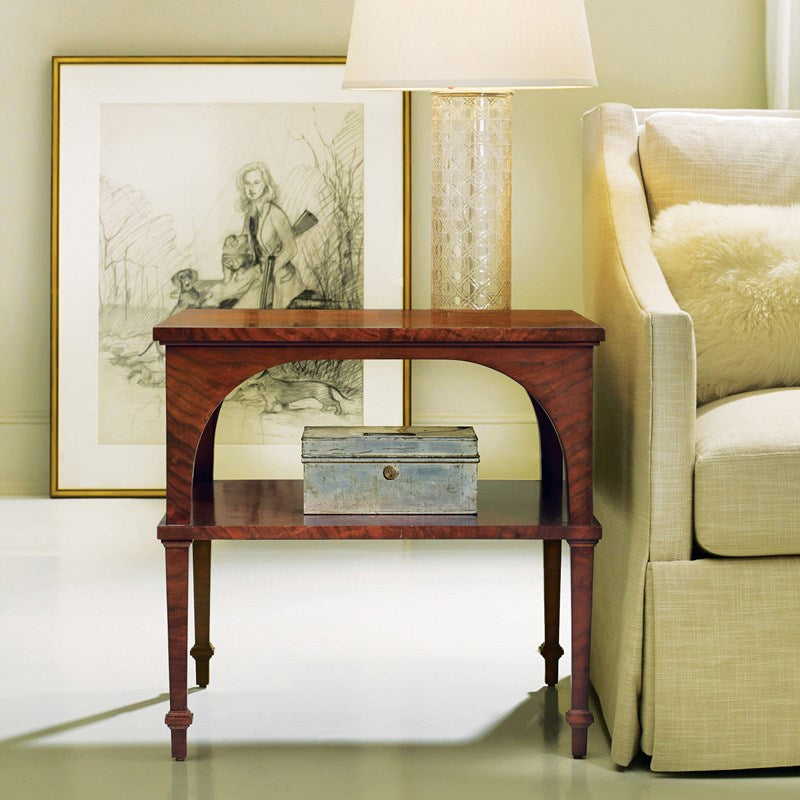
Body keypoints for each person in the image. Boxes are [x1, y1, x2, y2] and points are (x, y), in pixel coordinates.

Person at [234, 161, 306, 309]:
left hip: (282, 278)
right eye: (247, 183)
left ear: (265, 185)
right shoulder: (250, 215)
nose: (252, 188)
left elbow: (291, 249)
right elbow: (248, 247)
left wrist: (269, 270)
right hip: (261, 276)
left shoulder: (275, 214)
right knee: (239, 311)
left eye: (256, 182)